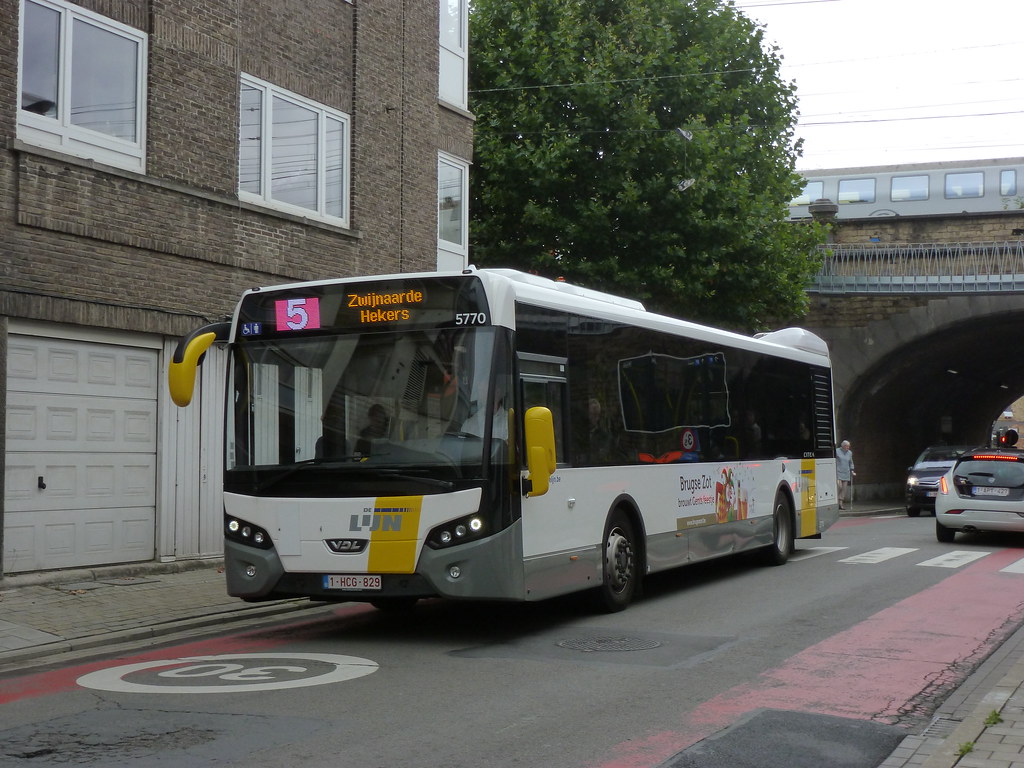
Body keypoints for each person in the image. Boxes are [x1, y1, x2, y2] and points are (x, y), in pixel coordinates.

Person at [836, 439, 855, 510]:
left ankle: (840, 504)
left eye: (849, 446)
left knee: (844, 489)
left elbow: (851, 462)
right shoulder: (837, 451)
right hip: (838, 472)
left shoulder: (849, 453)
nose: (848, 448)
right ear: (843, 446)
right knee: (839, 486)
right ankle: (836, 501)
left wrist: (852, 470)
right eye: (847, 446)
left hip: (846, 473)